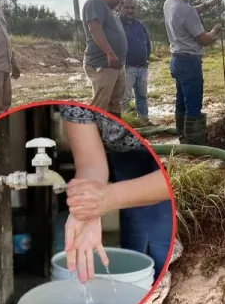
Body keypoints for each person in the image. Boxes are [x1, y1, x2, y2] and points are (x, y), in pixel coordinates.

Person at [60, 104, 174, 284]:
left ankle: (163, 279)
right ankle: (137, 283)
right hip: (124, 152)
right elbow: (91, 164)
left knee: (162, 231)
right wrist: (87, 206)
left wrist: (108, 197)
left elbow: (178, 177)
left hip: (171, 151)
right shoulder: (74, 102)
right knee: (135, 226)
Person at [163, 0, 223, 145]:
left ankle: (183, 138)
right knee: (193, 105)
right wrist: (215, 32)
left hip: (176, 59)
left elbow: (189, 11)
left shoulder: (170, 3)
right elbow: (203, 39)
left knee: (181, 100)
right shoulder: (186, 10)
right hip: (190, 61)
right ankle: (195, 145)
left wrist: (209, 5)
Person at [82, 0, 127, 117]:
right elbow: (94, 28)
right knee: (100, 105)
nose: (120, 0)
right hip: (102, 63)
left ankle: (113, 134)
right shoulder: (95, 3)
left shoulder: (109, 10)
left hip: (116, 65)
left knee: (115, 103)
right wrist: (110, 53)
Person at [118, 0, 153, 125]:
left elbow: (147, 42)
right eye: (126, 7)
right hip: (127, 67)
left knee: (142, 96)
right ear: (119, 8)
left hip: (142, 67)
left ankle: (144, 120)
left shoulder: (139, 24)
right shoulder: (117, 24)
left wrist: (147, 57)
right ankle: (128, 124)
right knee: (125, 98)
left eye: (132, 7)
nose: (130, 10)